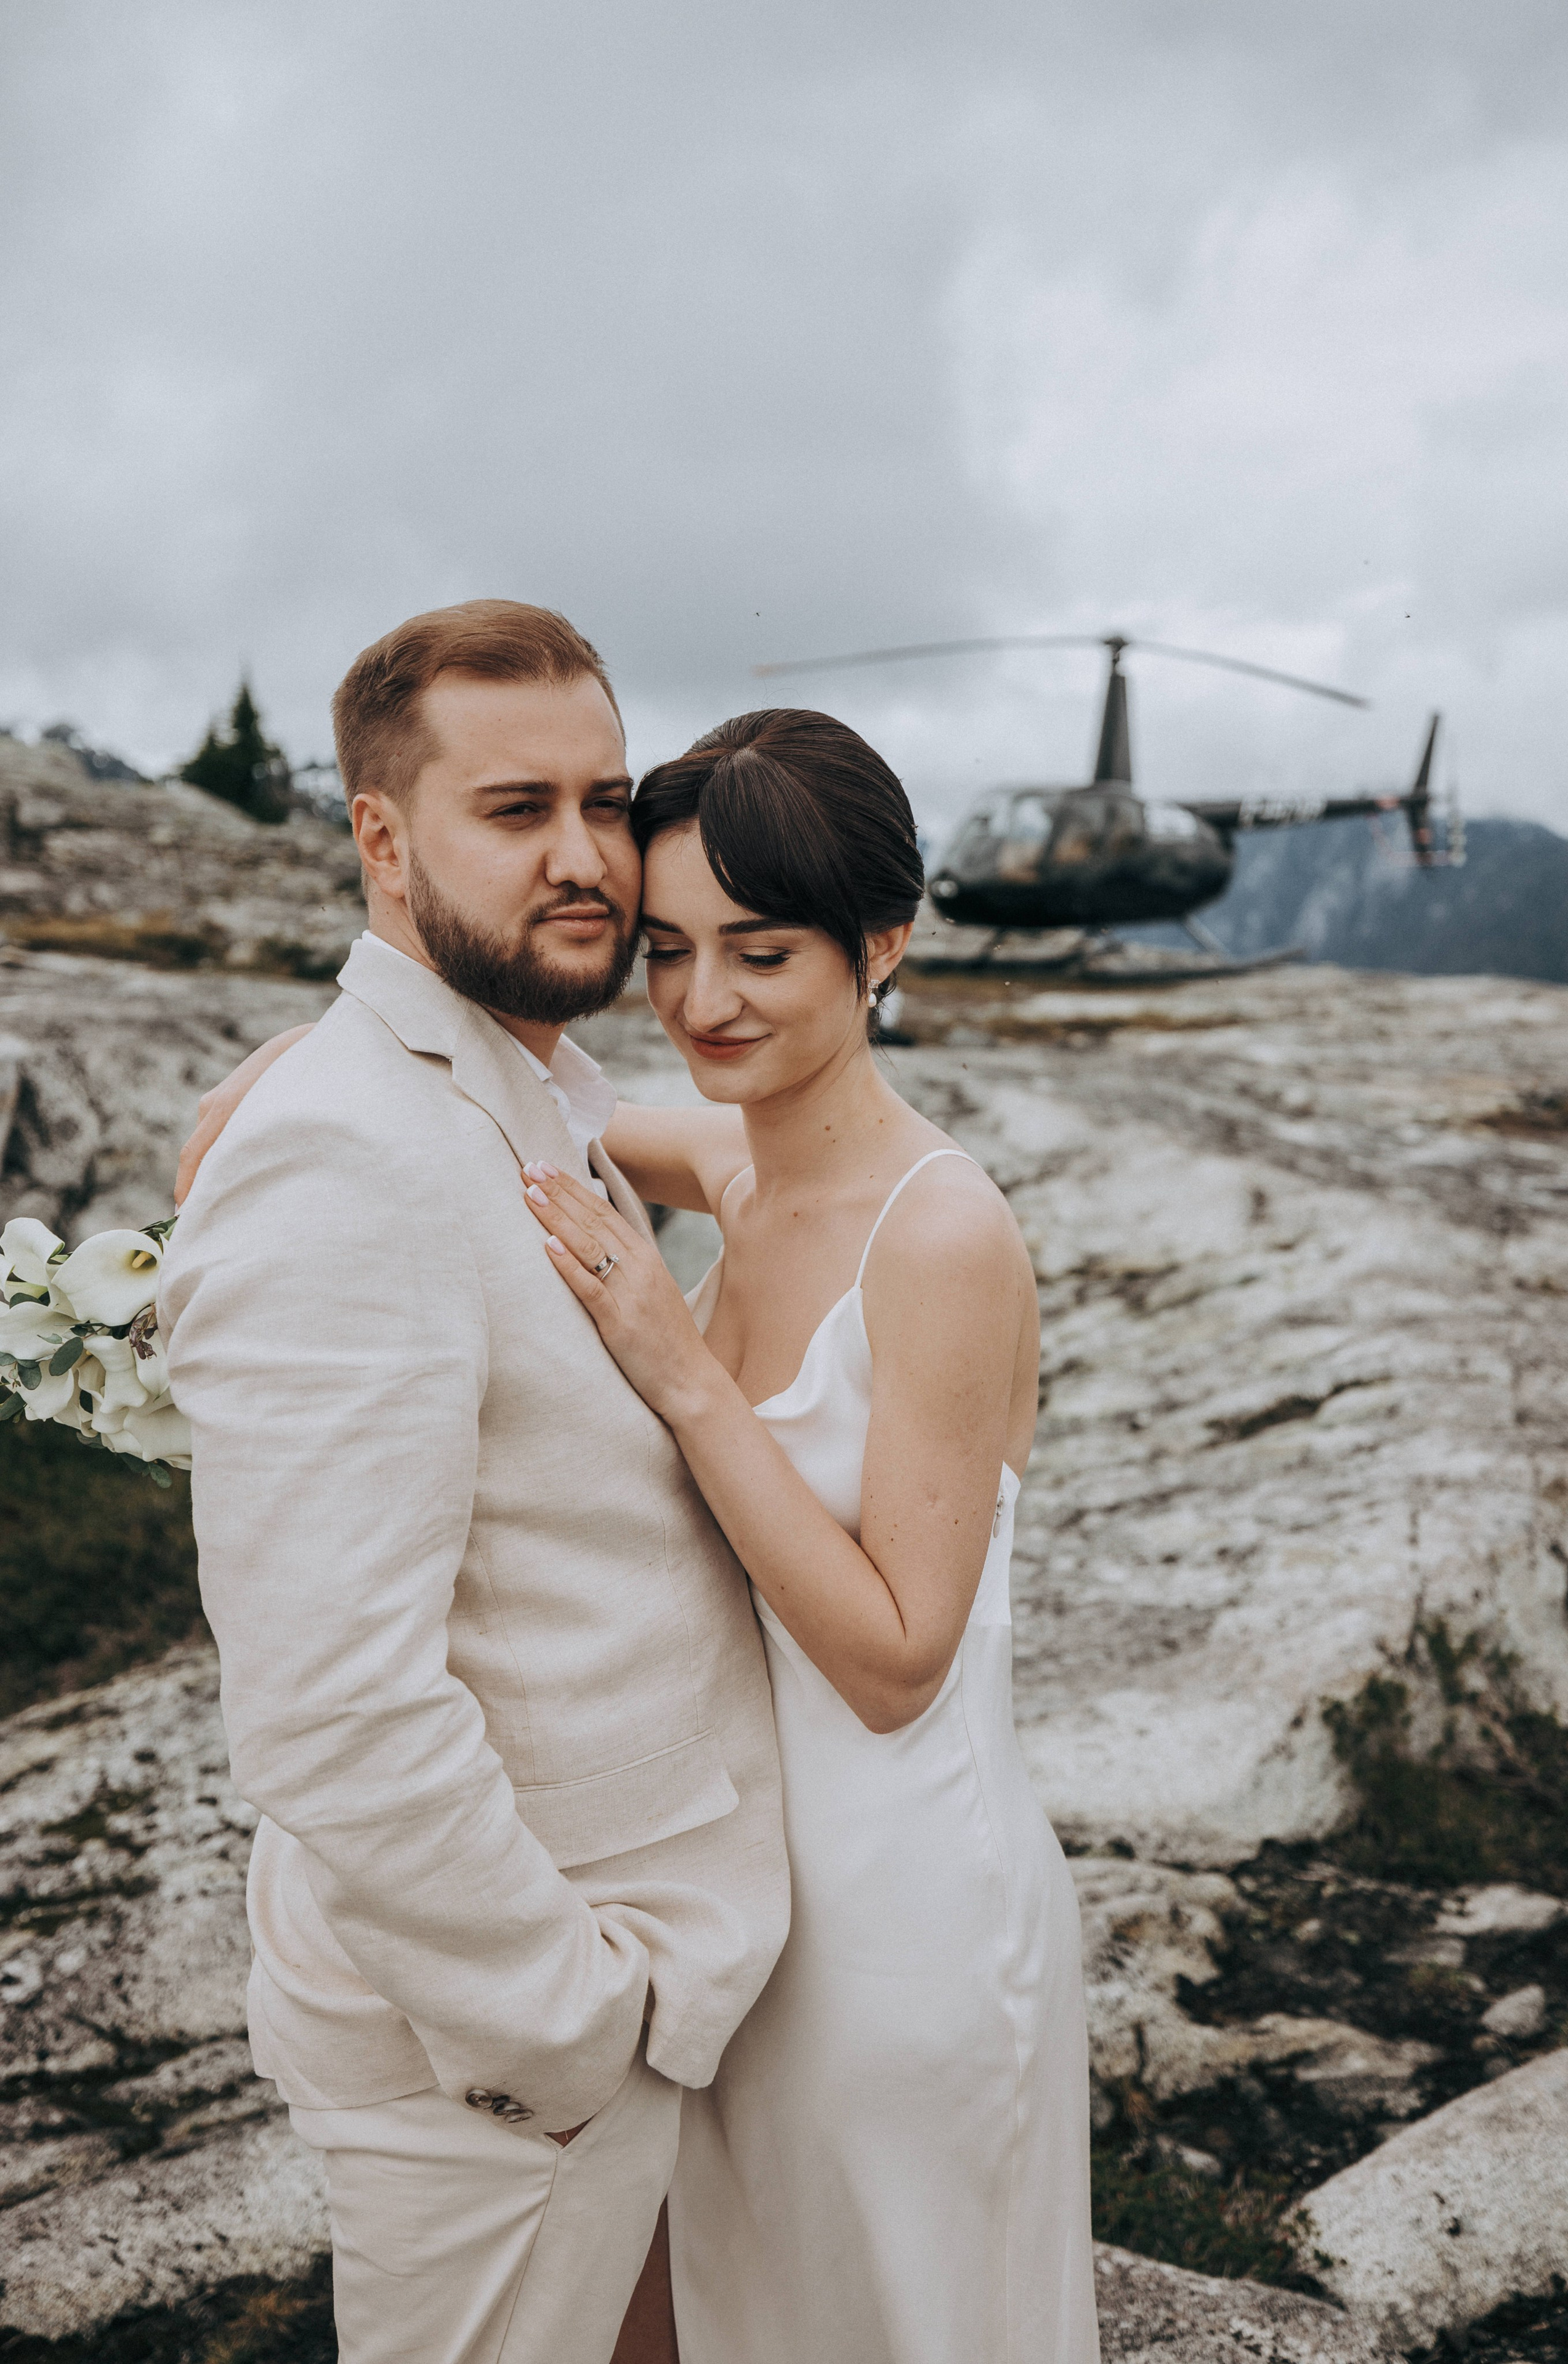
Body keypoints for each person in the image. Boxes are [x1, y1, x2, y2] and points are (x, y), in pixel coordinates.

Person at [186, 691, 1100, 2364]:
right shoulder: (739, 1169)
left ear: (881, 945)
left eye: (763, 954)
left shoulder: (943, 1232)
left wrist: (684, 1379)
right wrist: (298, 1070)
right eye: (669, 950)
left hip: (898, 1904)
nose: (703, 1004)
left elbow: (900, 1661)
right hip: (736, 1901)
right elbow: (524, 1110)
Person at [160, 601, 790, 2364]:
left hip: (646, 1996)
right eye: (518, 812)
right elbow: (333, 1710)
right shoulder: (343, 1156)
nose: (589, 858)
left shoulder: (515, 1087)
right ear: (381, 836)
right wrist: (568, 2040)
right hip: (505, 2067)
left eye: (609, 801)